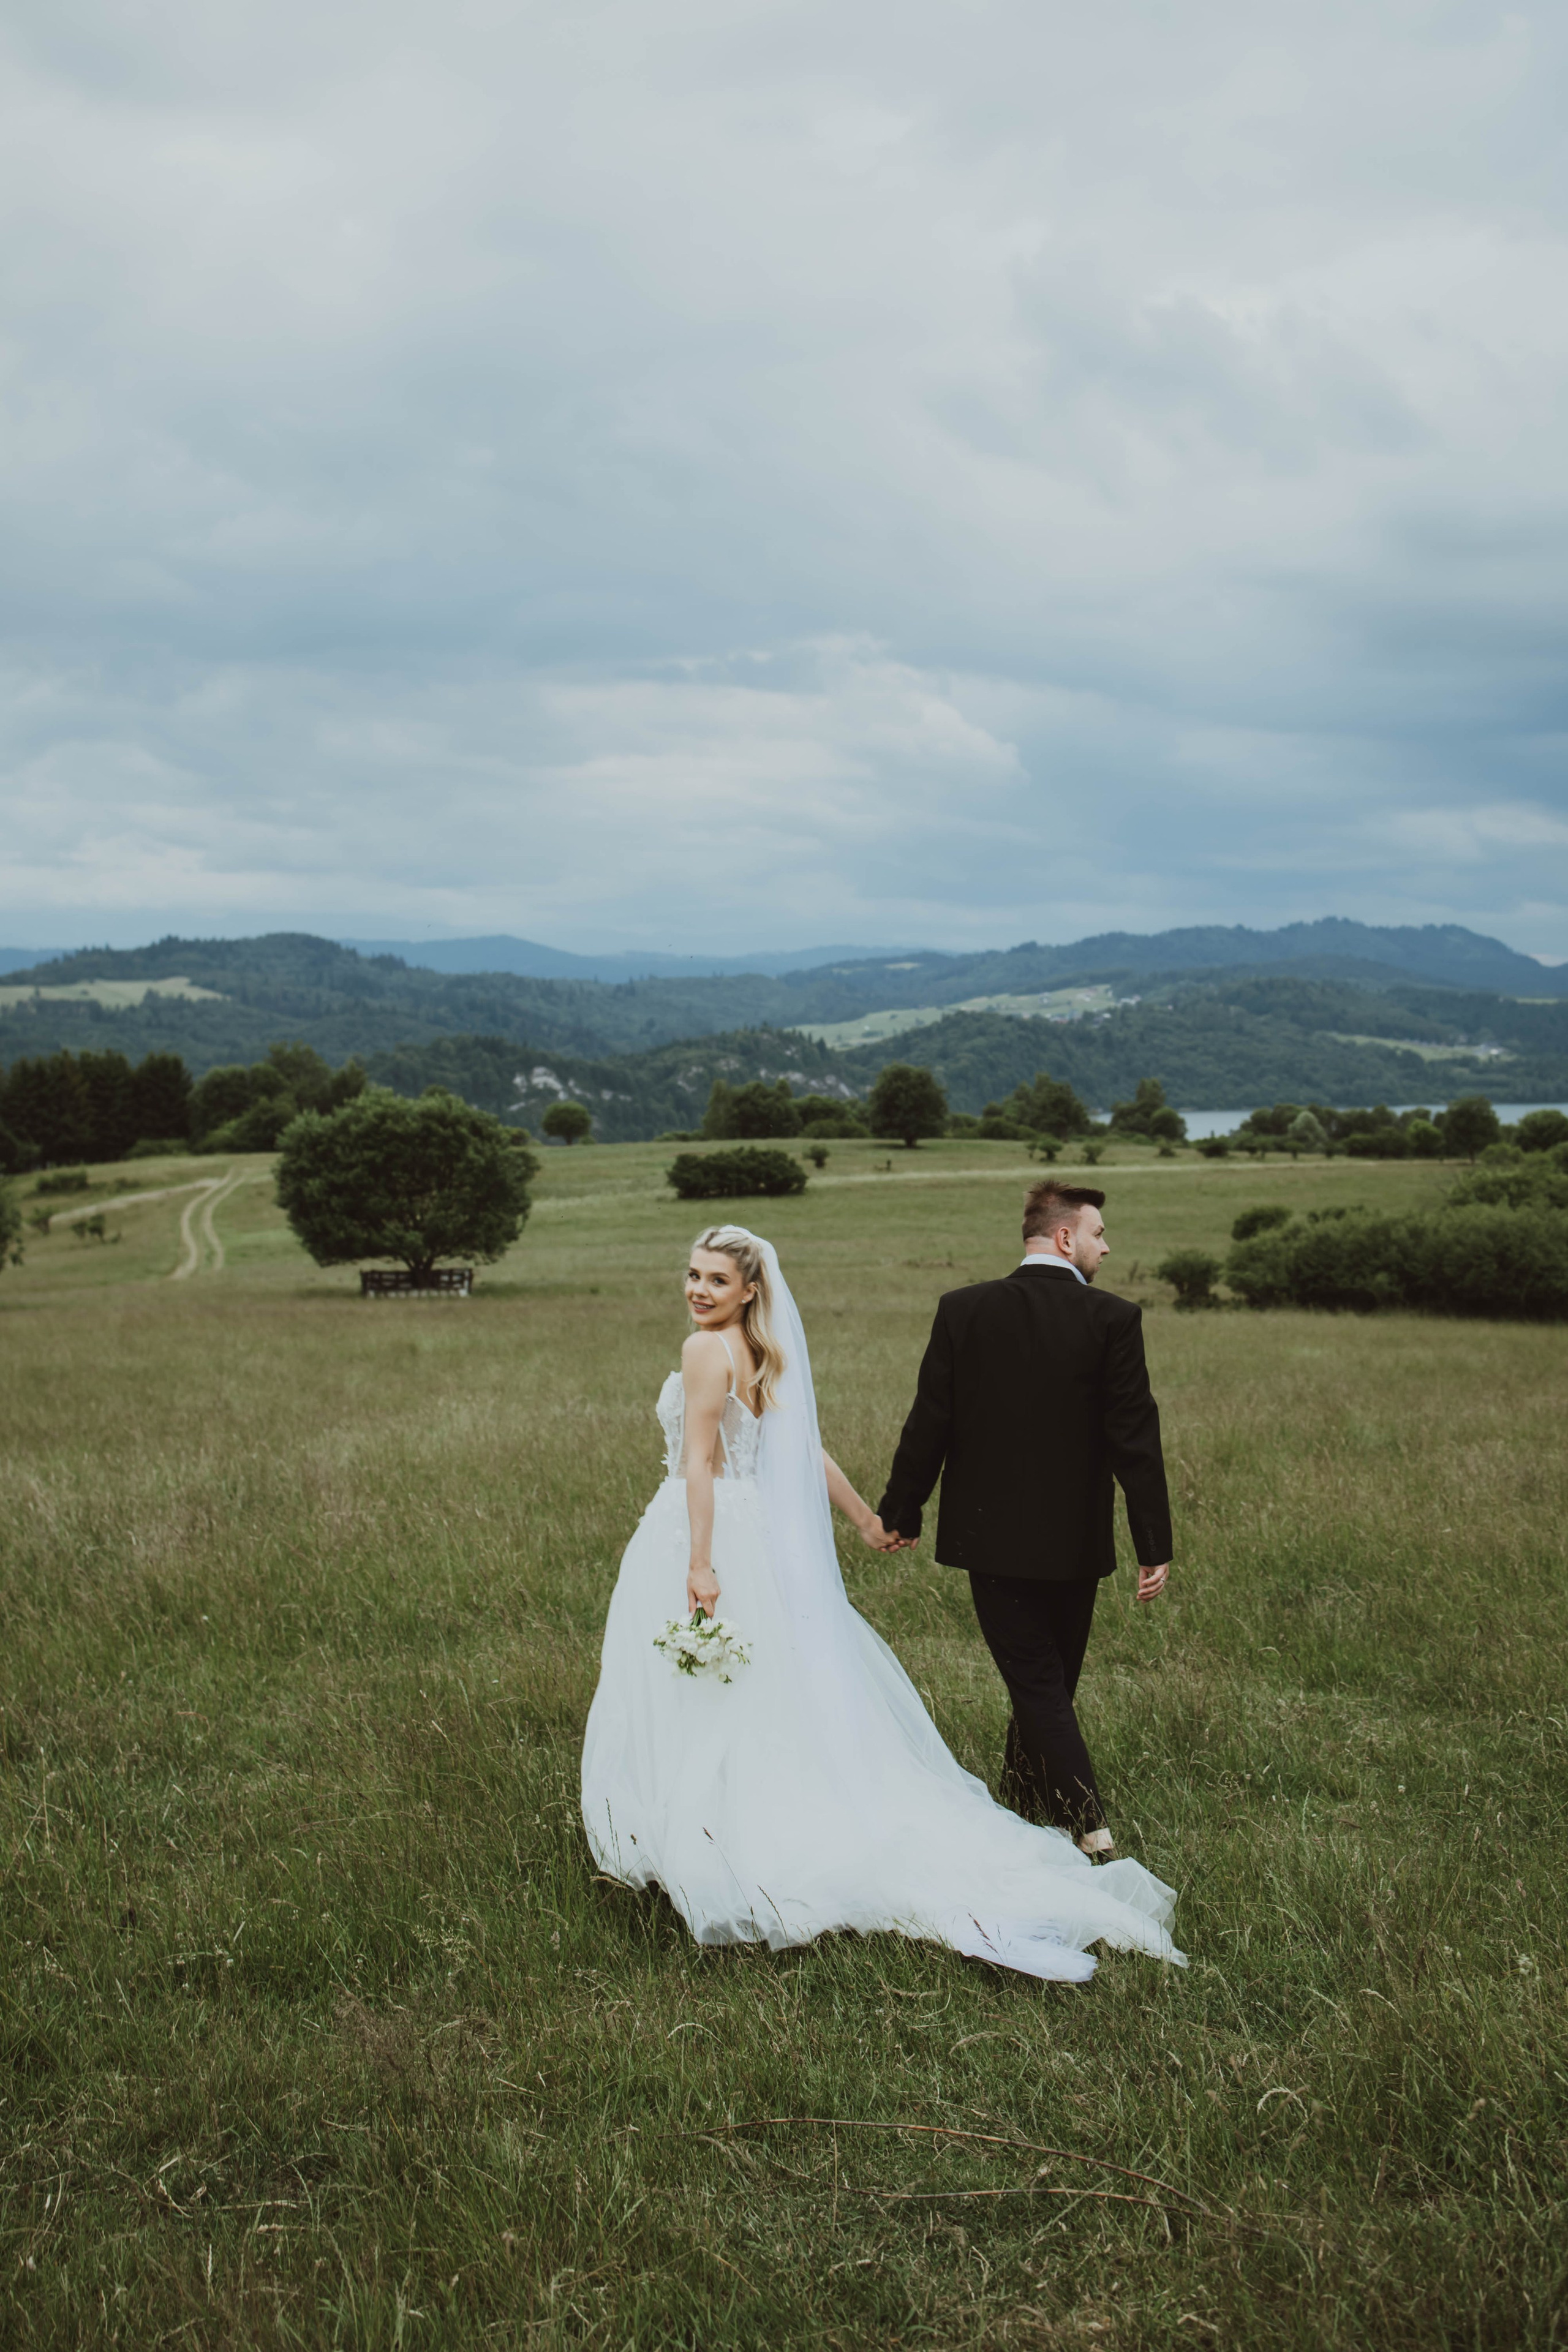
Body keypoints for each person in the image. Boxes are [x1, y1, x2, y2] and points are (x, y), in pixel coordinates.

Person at [581, 1223, 1182, 1983]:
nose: (698, 1290)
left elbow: (701, 1462)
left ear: (750, 1289)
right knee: (761, 1691)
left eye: (715, 1281)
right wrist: (866, 1519)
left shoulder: (705, 1350)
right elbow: (802, 1448)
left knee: (700, 1690)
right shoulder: (763, 1352)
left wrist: (700, 1565)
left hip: (704, 1536)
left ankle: (709, 1836)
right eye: (692, 1275)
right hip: (756, 1540)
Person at [877, 1180, 1172, 1864]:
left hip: (993, 1541)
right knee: (1046, 1684)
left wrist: (903, 1509)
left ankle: (1025, 1802)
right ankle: (1090, 1829)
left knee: (1041, 1688)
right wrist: (1152, 1542)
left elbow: (930, 1424)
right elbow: (1136, 1439)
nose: (1106, 1246)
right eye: (1099, 1234)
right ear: (1065, 1238)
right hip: (1077, 1544)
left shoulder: (963, 1310)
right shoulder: (1113, 1319)